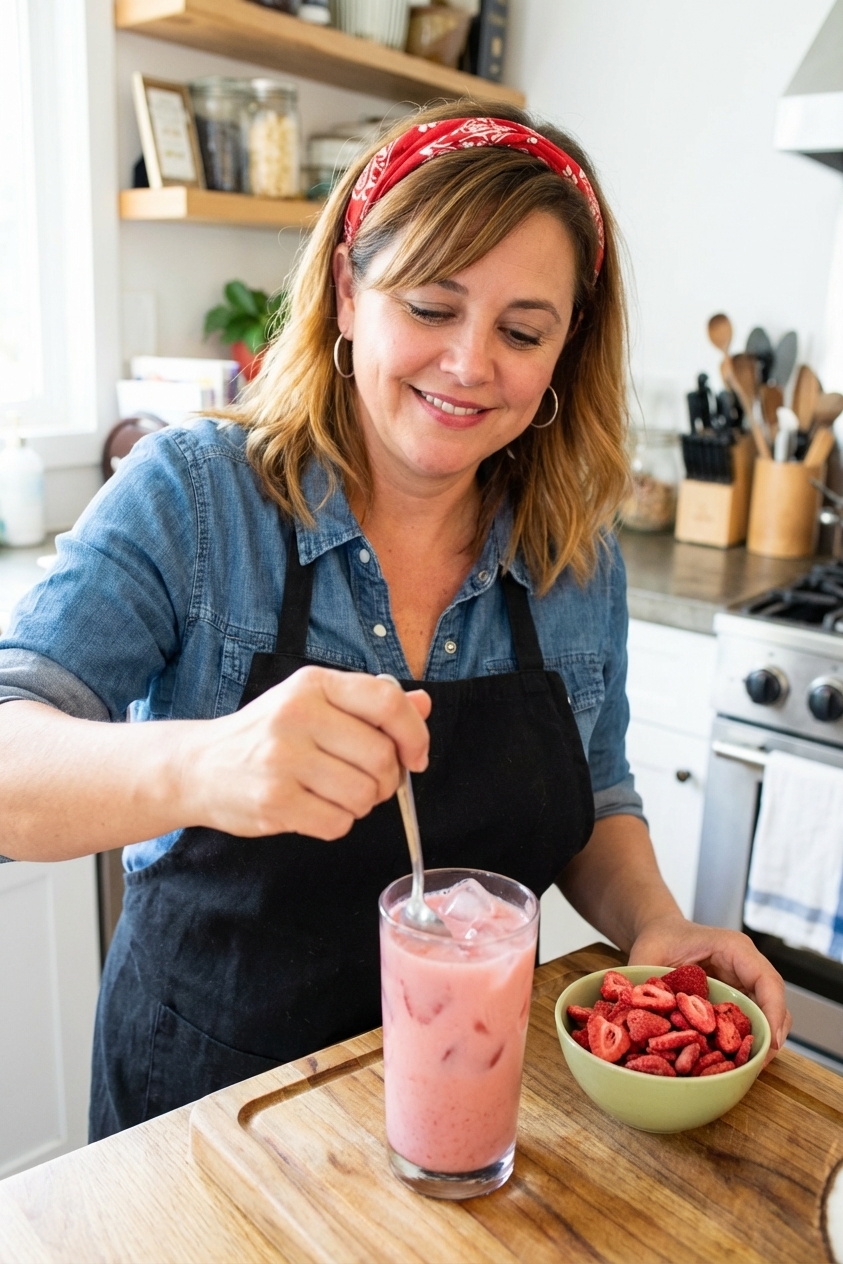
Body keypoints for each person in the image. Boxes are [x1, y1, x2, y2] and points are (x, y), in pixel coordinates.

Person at [0, 102, 789, 1140]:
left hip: (472, 1122)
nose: (470, 364)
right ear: (346, 292)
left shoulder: (573, 558)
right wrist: (204, 765)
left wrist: (655, 921)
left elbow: (596, 791)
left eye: (522, 331)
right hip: (202, 1132)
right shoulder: (195, 500)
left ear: (565, 352)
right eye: (431, 304)